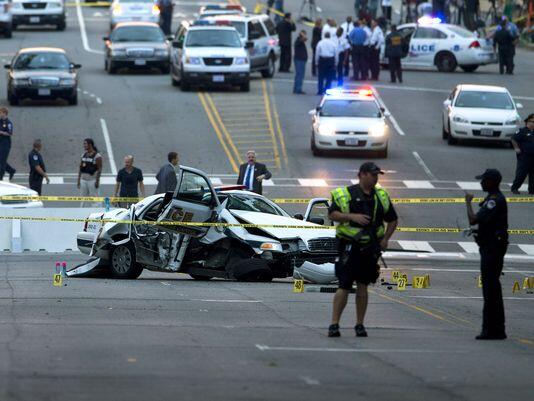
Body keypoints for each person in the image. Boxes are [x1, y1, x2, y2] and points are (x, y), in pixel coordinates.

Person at [327, 162, 398, 338]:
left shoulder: (381, 196)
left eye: (377, 175)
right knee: (343, 285)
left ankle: (360, 324)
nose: (376, 178)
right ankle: (334, 324)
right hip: (349, 247)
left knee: (363, 286)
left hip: (369, 249)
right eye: (373, 175)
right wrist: (352, 217)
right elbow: (332, 214)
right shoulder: (346, 194)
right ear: (362, 175)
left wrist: (386, 240)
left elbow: (393, 219)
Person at [465, 169, 508, 340]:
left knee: (490, 289)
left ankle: (492, 329)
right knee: (492, 289)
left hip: (492, 248)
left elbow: (473, 219)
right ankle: (496, 328)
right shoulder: (492, 199)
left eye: (483, 180)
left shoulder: (494, 201)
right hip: (490, 247)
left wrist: (467, 202)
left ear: (491, 182)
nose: (481, 183)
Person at [511, 114, 534, 195]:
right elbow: (513, 139)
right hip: (524, 157)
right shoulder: (522, 131)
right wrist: (516, 148)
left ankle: (532, 190)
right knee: (521, 174)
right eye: (532, 122)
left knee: (533, 175)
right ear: (527, 122)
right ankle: (515, 188)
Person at [77, 138, 102, 207]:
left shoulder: (97, 156)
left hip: (92, 180)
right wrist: (78, 180)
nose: (84, 146)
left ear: (90, 145)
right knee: (82, 199)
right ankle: (81, 212)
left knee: (95, 199)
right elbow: (80, 168)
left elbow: (99, 169)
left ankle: (96, 213)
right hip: (83, 180)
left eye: (85, 144)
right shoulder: (83, 155)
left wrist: (97, 181)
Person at [0, 107, 16, 181]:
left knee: (2, 161)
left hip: (5, 144)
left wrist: (2, 132)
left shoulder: (8, 123)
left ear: (5, 113)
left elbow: (10, 133)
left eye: (1, 112)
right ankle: (11, 170)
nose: (0, 114)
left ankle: (1, 176)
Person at [293, 30, 308, 94]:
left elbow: (305, 39)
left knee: (300, 75)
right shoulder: (298, 41)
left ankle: (297, 88)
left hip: (301, 60)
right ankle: (298, 89)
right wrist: (302, 35)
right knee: (299, 75)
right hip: (299, 60)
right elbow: (305, 39)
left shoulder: (300, 41)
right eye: (304, 34)